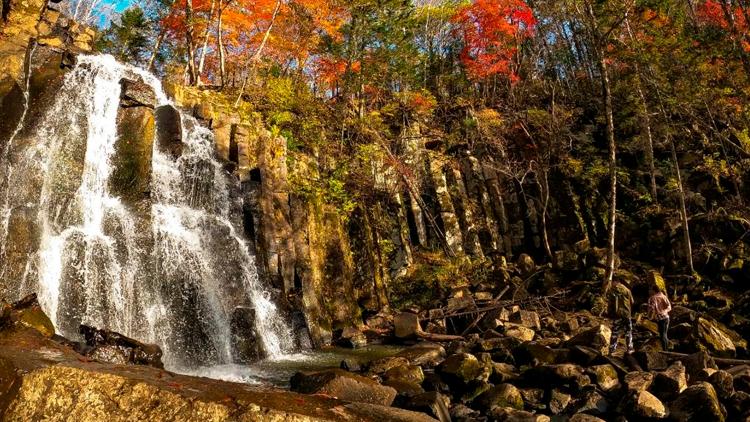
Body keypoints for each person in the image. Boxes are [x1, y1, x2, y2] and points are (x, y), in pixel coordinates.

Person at [608, 280, 634, 354]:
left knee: (615, 332)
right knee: (628, 332)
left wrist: (610, 313)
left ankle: (612, 350)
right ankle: (630, 349)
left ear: (614, 282)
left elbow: (610, 304)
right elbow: (632, 301)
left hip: (617, 315)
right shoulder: (627, 290)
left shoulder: (612, 291)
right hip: (627, 314)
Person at [647, 285, 672, 350]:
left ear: (653, 290)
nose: (649, 291)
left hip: (660, 318)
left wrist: (649, 317)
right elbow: (669, 307)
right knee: (665, 334)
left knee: (662, 335)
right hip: (666, 317)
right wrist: (664, 311)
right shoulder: (664, 296)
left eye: (650, 290)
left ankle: (665, 350)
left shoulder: (653, 298)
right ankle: (666, 349)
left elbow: (652, 308)